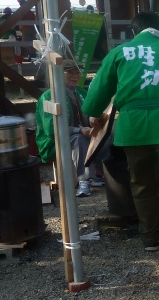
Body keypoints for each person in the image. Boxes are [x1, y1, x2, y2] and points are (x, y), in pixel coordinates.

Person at [82, 11, 159, 251]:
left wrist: (94, 113)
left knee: (142, 183)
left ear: (134, 32)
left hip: (134, 127)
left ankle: (150, 237)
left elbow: (94, 99)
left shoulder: (120, 52)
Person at [35, 59, 106, 197]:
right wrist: (80, 130)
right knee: (79, 139)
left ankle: (102, 174)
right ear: (59, 74)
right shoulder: (48, 96)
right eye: (70, 73)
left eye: (77, 72)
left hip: (83, 133)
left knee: (108, 136)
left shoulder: (80, 92)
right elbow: (52, 130)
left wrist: (96, 121)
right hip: (54, 141)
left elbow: (92, 112)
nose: (75, 76)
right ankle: (84, 180)